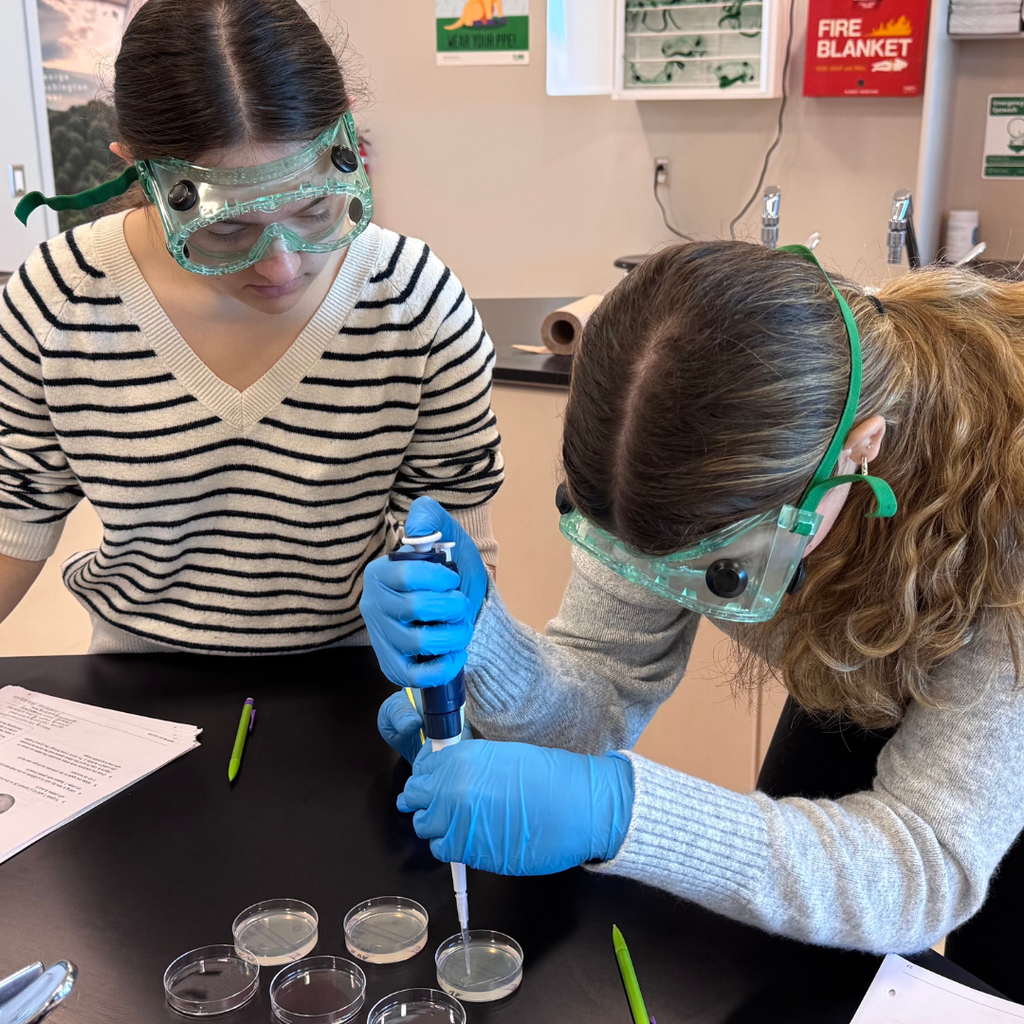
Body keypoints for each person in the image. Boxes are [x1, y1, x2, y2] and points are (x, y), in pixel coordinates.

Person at [361, 241, 1024, 995]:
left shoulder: (1007, 521)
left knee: (992, 976)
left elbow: (922, 867)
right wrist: (486, 647)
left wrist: (623, 814)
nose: (665, 581)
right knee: (786, 958)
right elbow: (601, 691)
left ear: (860, 448)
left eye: (722, 568)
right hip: (861, 671)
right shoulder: (678, 436)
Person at [0, 0, 502, 654]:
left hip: (361, 673)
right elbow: (14, 517)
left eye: (315, 208)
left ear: (347, 139)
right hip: (139, 678)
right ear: (136, 168)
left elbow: (460, 548)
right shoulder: (59, 299)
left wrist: (450, 627)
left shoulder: (415, 302)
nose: (282, 266)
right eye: (227, 229)